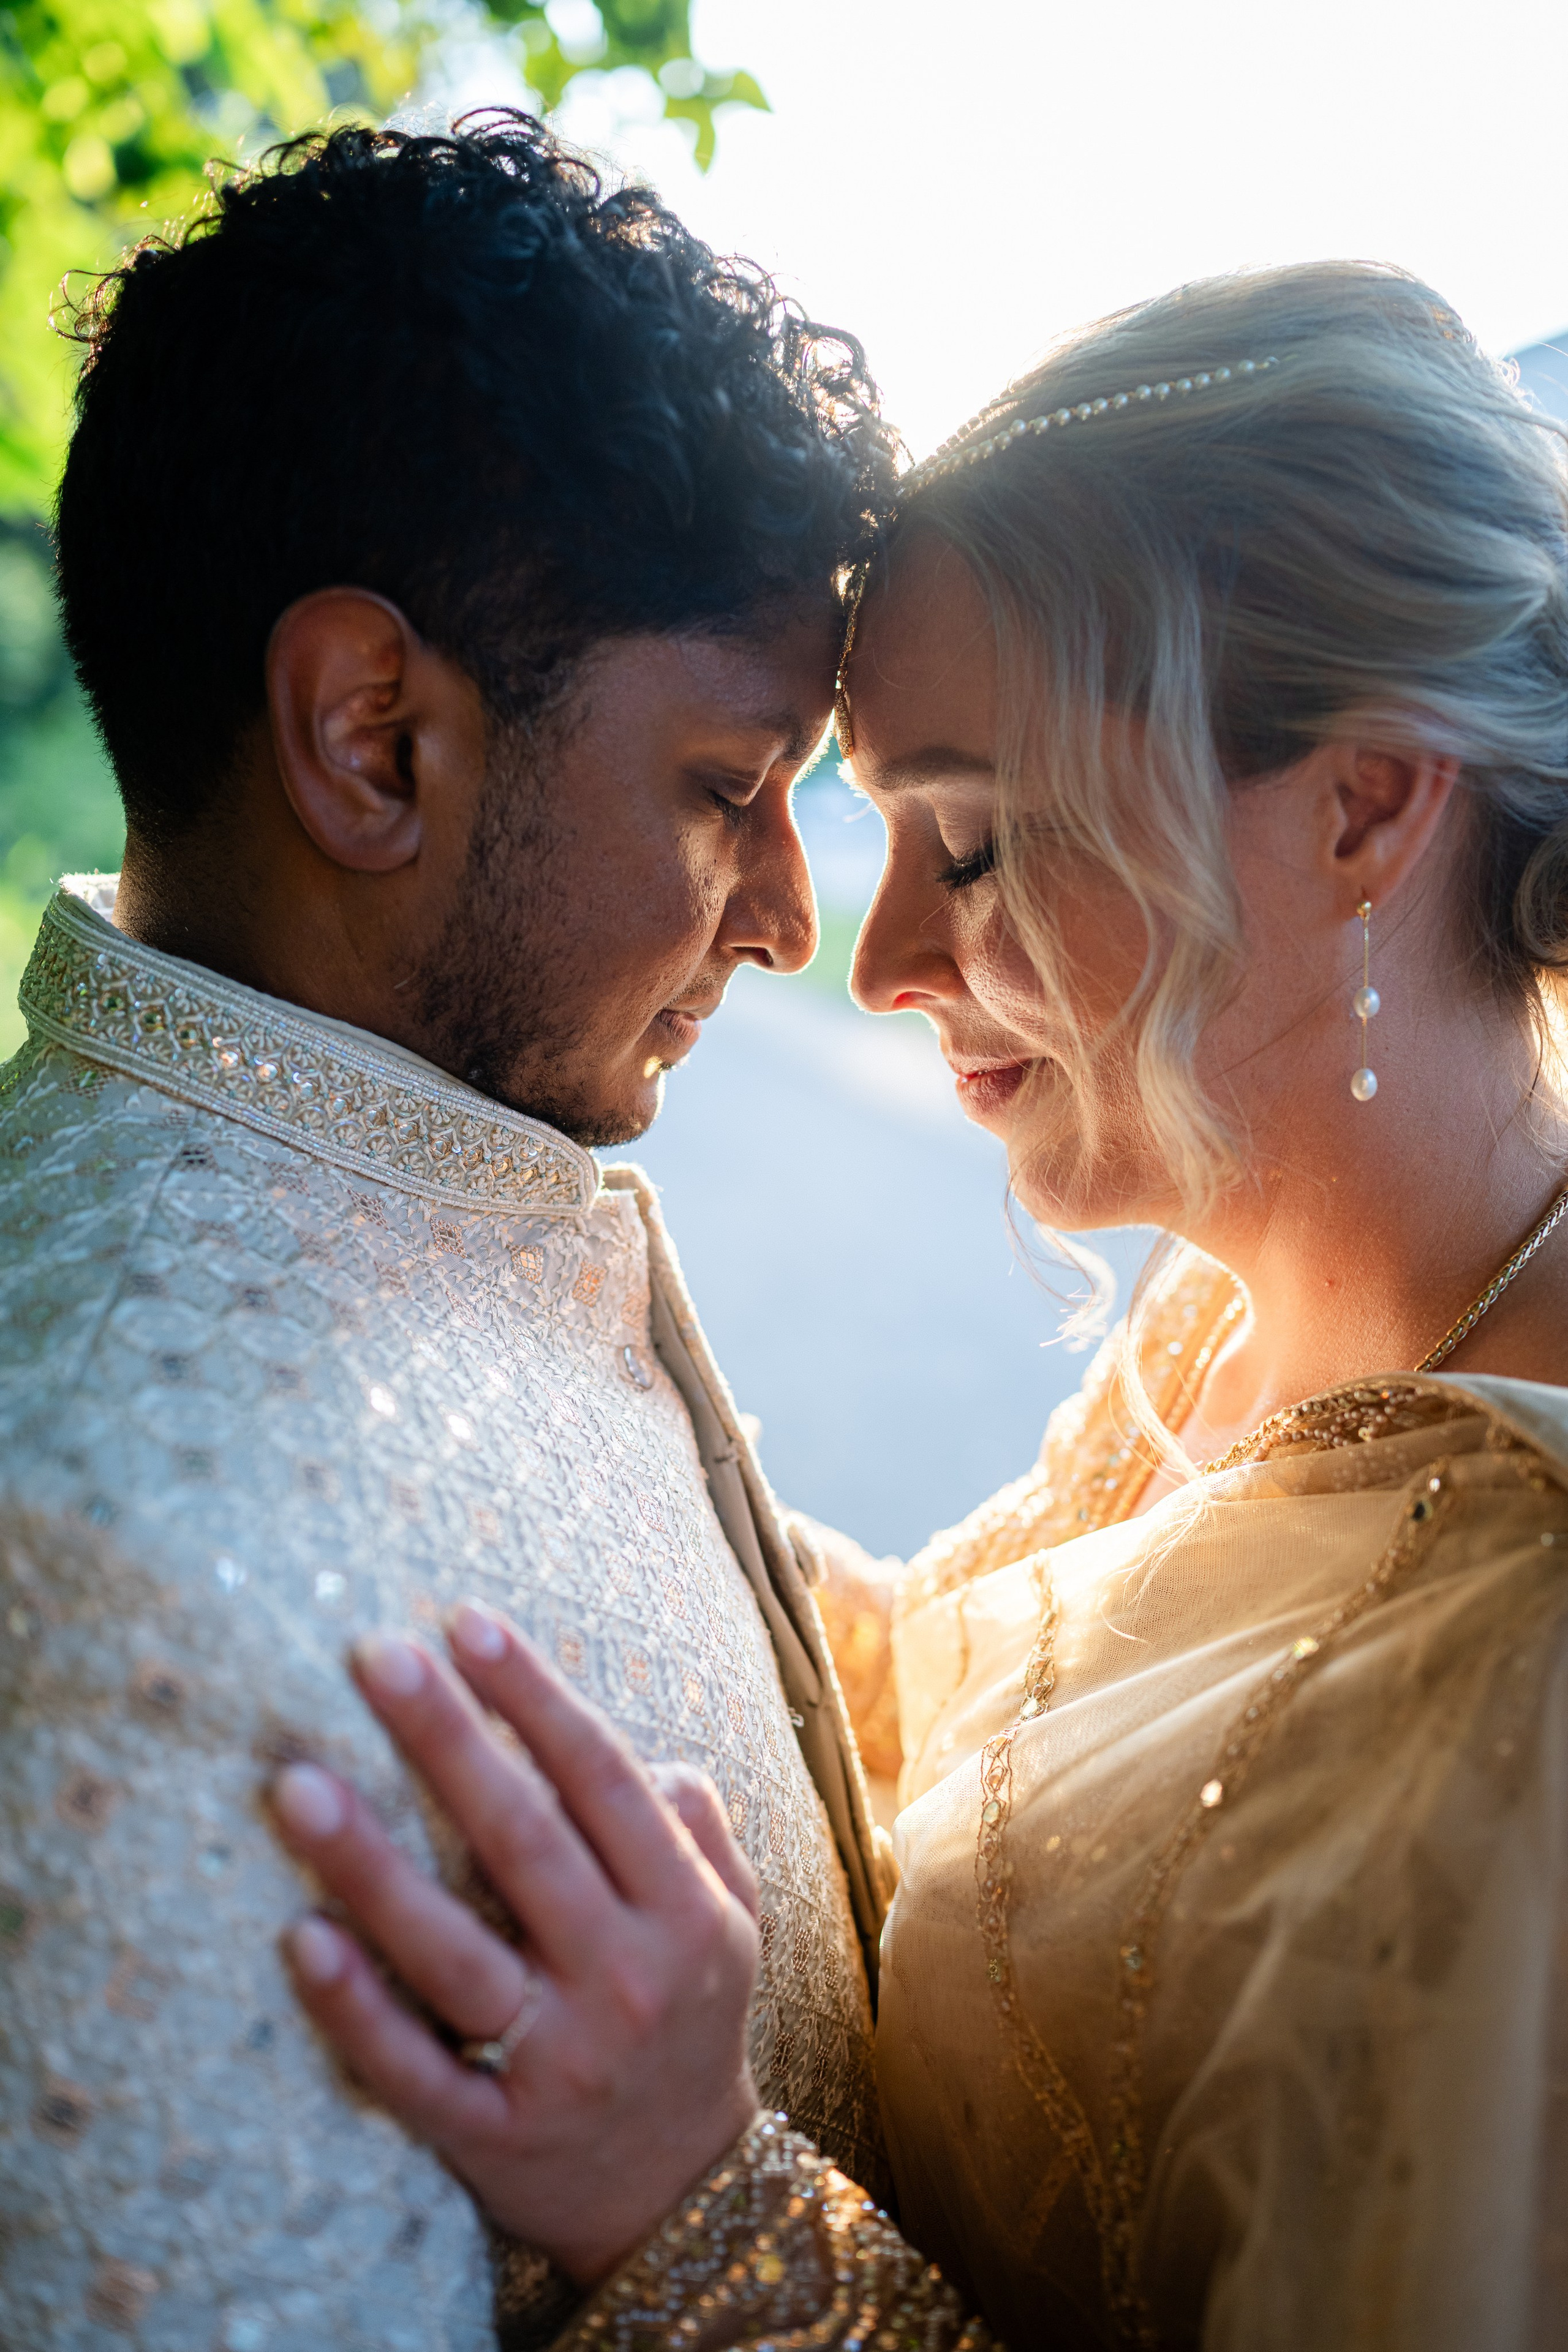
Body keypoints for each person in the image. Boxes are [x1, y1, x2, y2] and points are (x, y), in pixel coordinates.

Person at [276, 258, 1568, 2351]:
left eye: (968, 844)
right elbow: (997, 1735)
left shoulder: (1534, 1694)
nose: (870, 960)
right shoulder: (1225, 1316)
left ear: (1363, 805)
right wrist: (499, 1411)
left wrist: (697, 2216)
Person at [0, 115, 901, 2352]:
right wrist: (720, 2240)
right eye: (727, 787)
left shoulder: (439, 1157)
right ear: (372, 737)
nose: (793, 917)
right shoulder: (100, 1590)